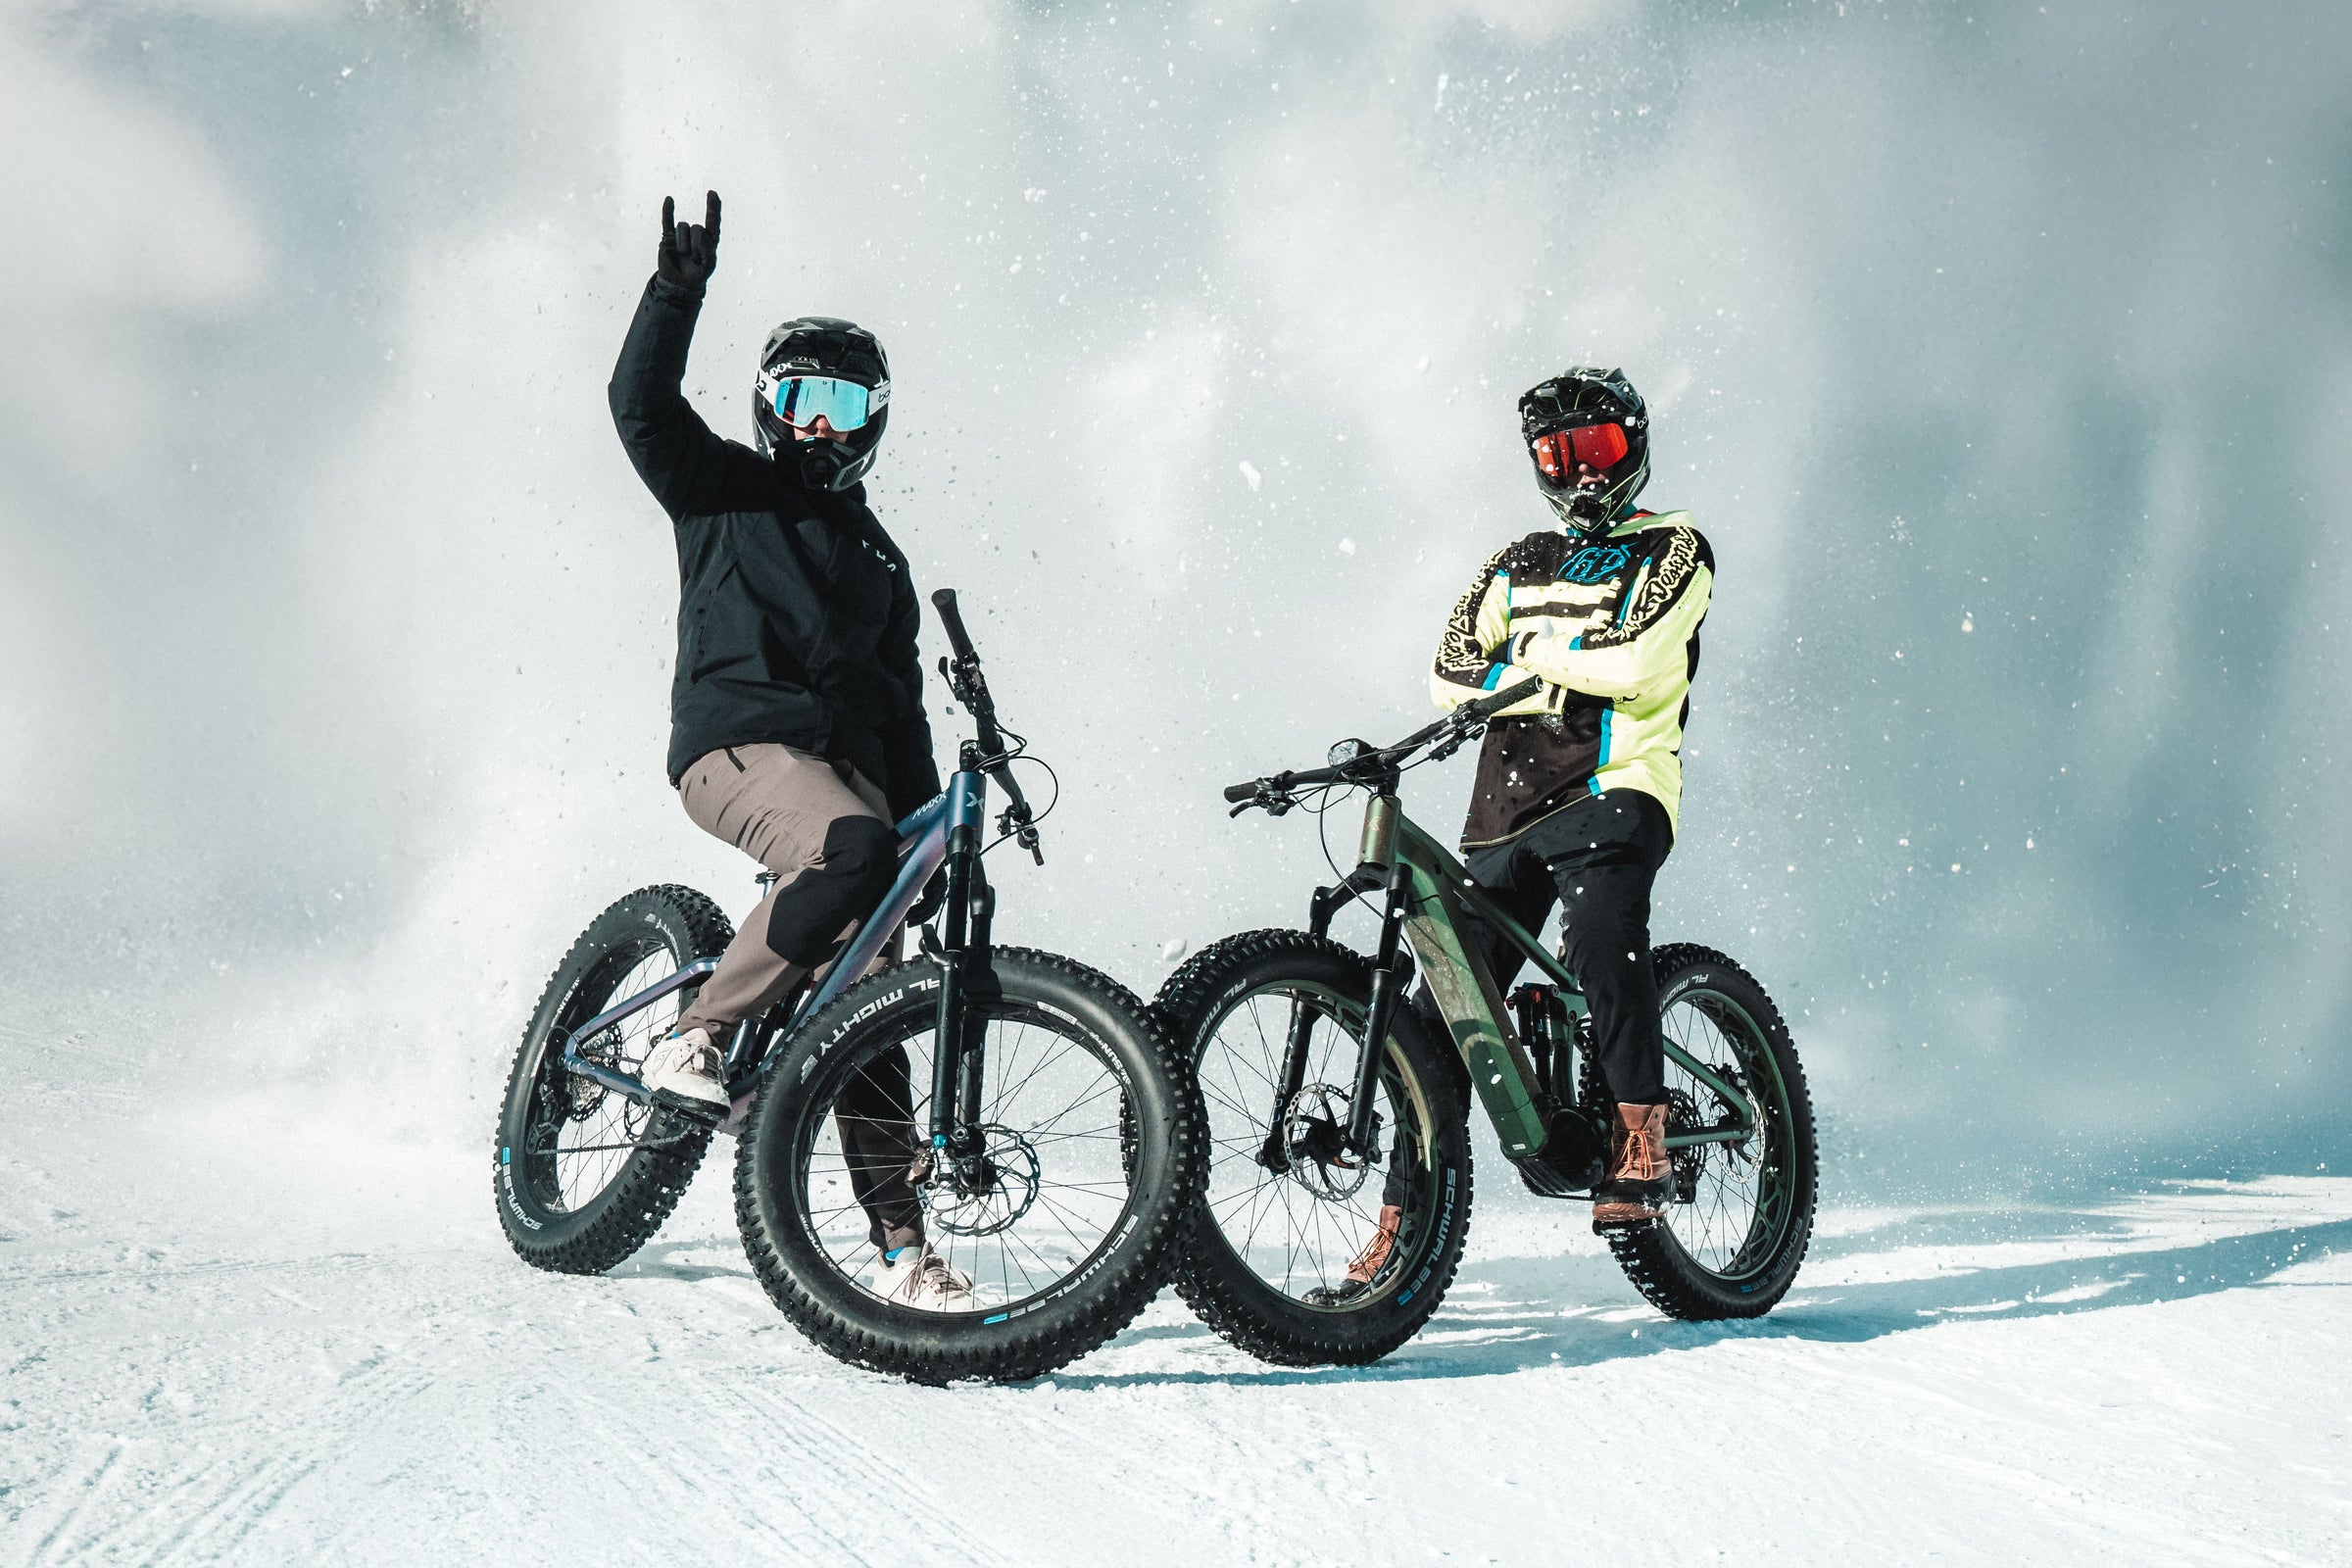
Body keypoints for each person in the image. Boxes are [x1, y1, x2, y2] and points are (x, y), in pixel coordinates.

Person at [606, 190, 969, 1308]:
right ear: (769, 407)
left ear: (874, 421)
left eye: (841, 404)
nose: (819, 425)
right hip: (735, 749)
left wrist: (926, 848)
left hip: (844, 792)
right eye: (800, 400)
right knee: (850, 848)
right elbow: (639, 407)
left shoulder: (884, 565)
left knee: (874, 1004)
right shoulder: (722, 489)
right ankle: (698, 1032)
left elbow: (901, 717)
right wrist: (675, 294)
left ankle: (903, 1252)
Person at [1321, 367, 1712, 1296]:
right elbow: (1450, 670)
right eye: (1559, 455)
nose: (1583, 472)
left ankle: (1641, 1135)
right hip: (1505, 806)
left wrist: (1525, 658)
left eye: (1598, 448)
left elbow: (1636, 659)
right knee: (1443, 1021)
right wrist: (1559, 664)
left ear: (1634, 447)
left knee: (1604, 937)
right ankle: (1404, 1219)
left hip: (1616, 784)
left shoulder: (1674, 546)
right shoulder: (1517, 558)